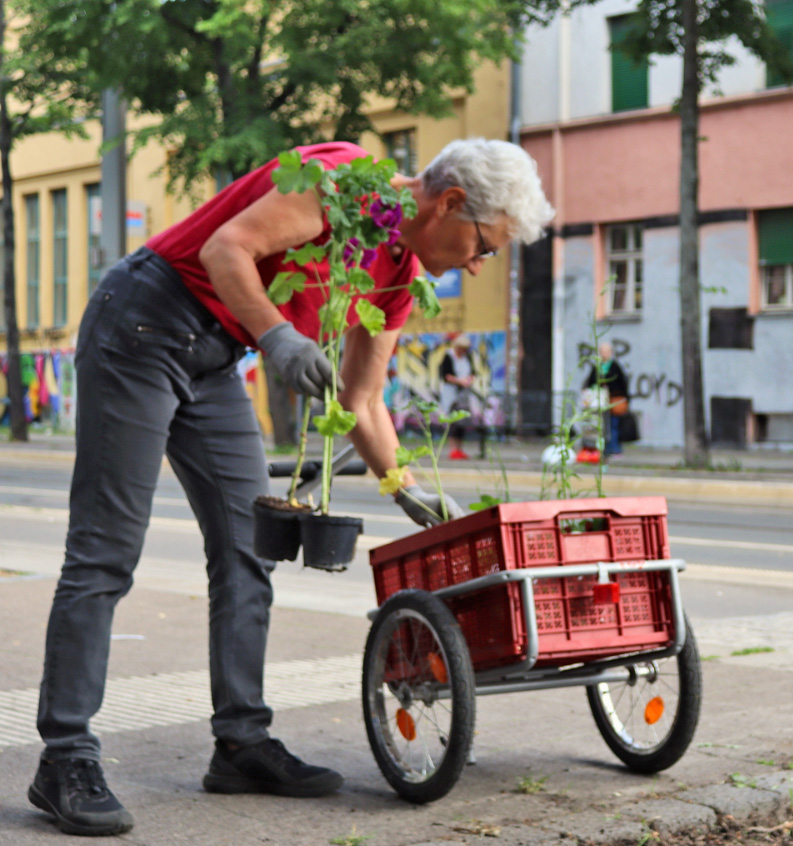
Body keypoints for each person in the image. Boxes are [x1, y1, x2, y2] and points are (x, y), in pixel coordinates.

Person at [28, 138, 554, 837]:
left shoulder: (397, 271)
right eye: (485, 244)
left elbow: (364, 398)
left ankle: (240, 743)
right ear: (450, 203)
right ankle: (64, 757)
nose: (483, 263)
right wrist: (278, 337)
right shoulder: (343, 184)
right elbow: (226, 249)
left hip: (214, 357)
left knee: (255, 542)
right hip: (144, 322)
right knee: (107, 549)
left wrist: (407, 488)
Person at [582, 342, 630, 457]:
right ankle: (601, 449)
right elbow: (589, 382)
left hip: (613, 400)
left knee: (613, 426)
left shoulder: (615, 366)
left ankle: (614, 449)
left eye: (606, 351)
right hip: (599, 402)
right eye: (602, 351)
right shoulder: (596, 367)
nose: (604, 354)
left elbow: (622, 384)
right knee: (601, 427)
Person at [437, 334, 481, 460]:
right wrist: (459, 381)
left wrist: (469, 380)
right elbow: (446, 375)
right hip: (451, 394)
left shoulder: (467, 358)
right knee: (453, 422)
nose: (463, 351)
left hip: (464, 395)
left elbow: (473, 372)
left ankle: (460, 449)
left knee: (462, 421)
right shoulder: (448, 357)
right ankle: (453, 449)